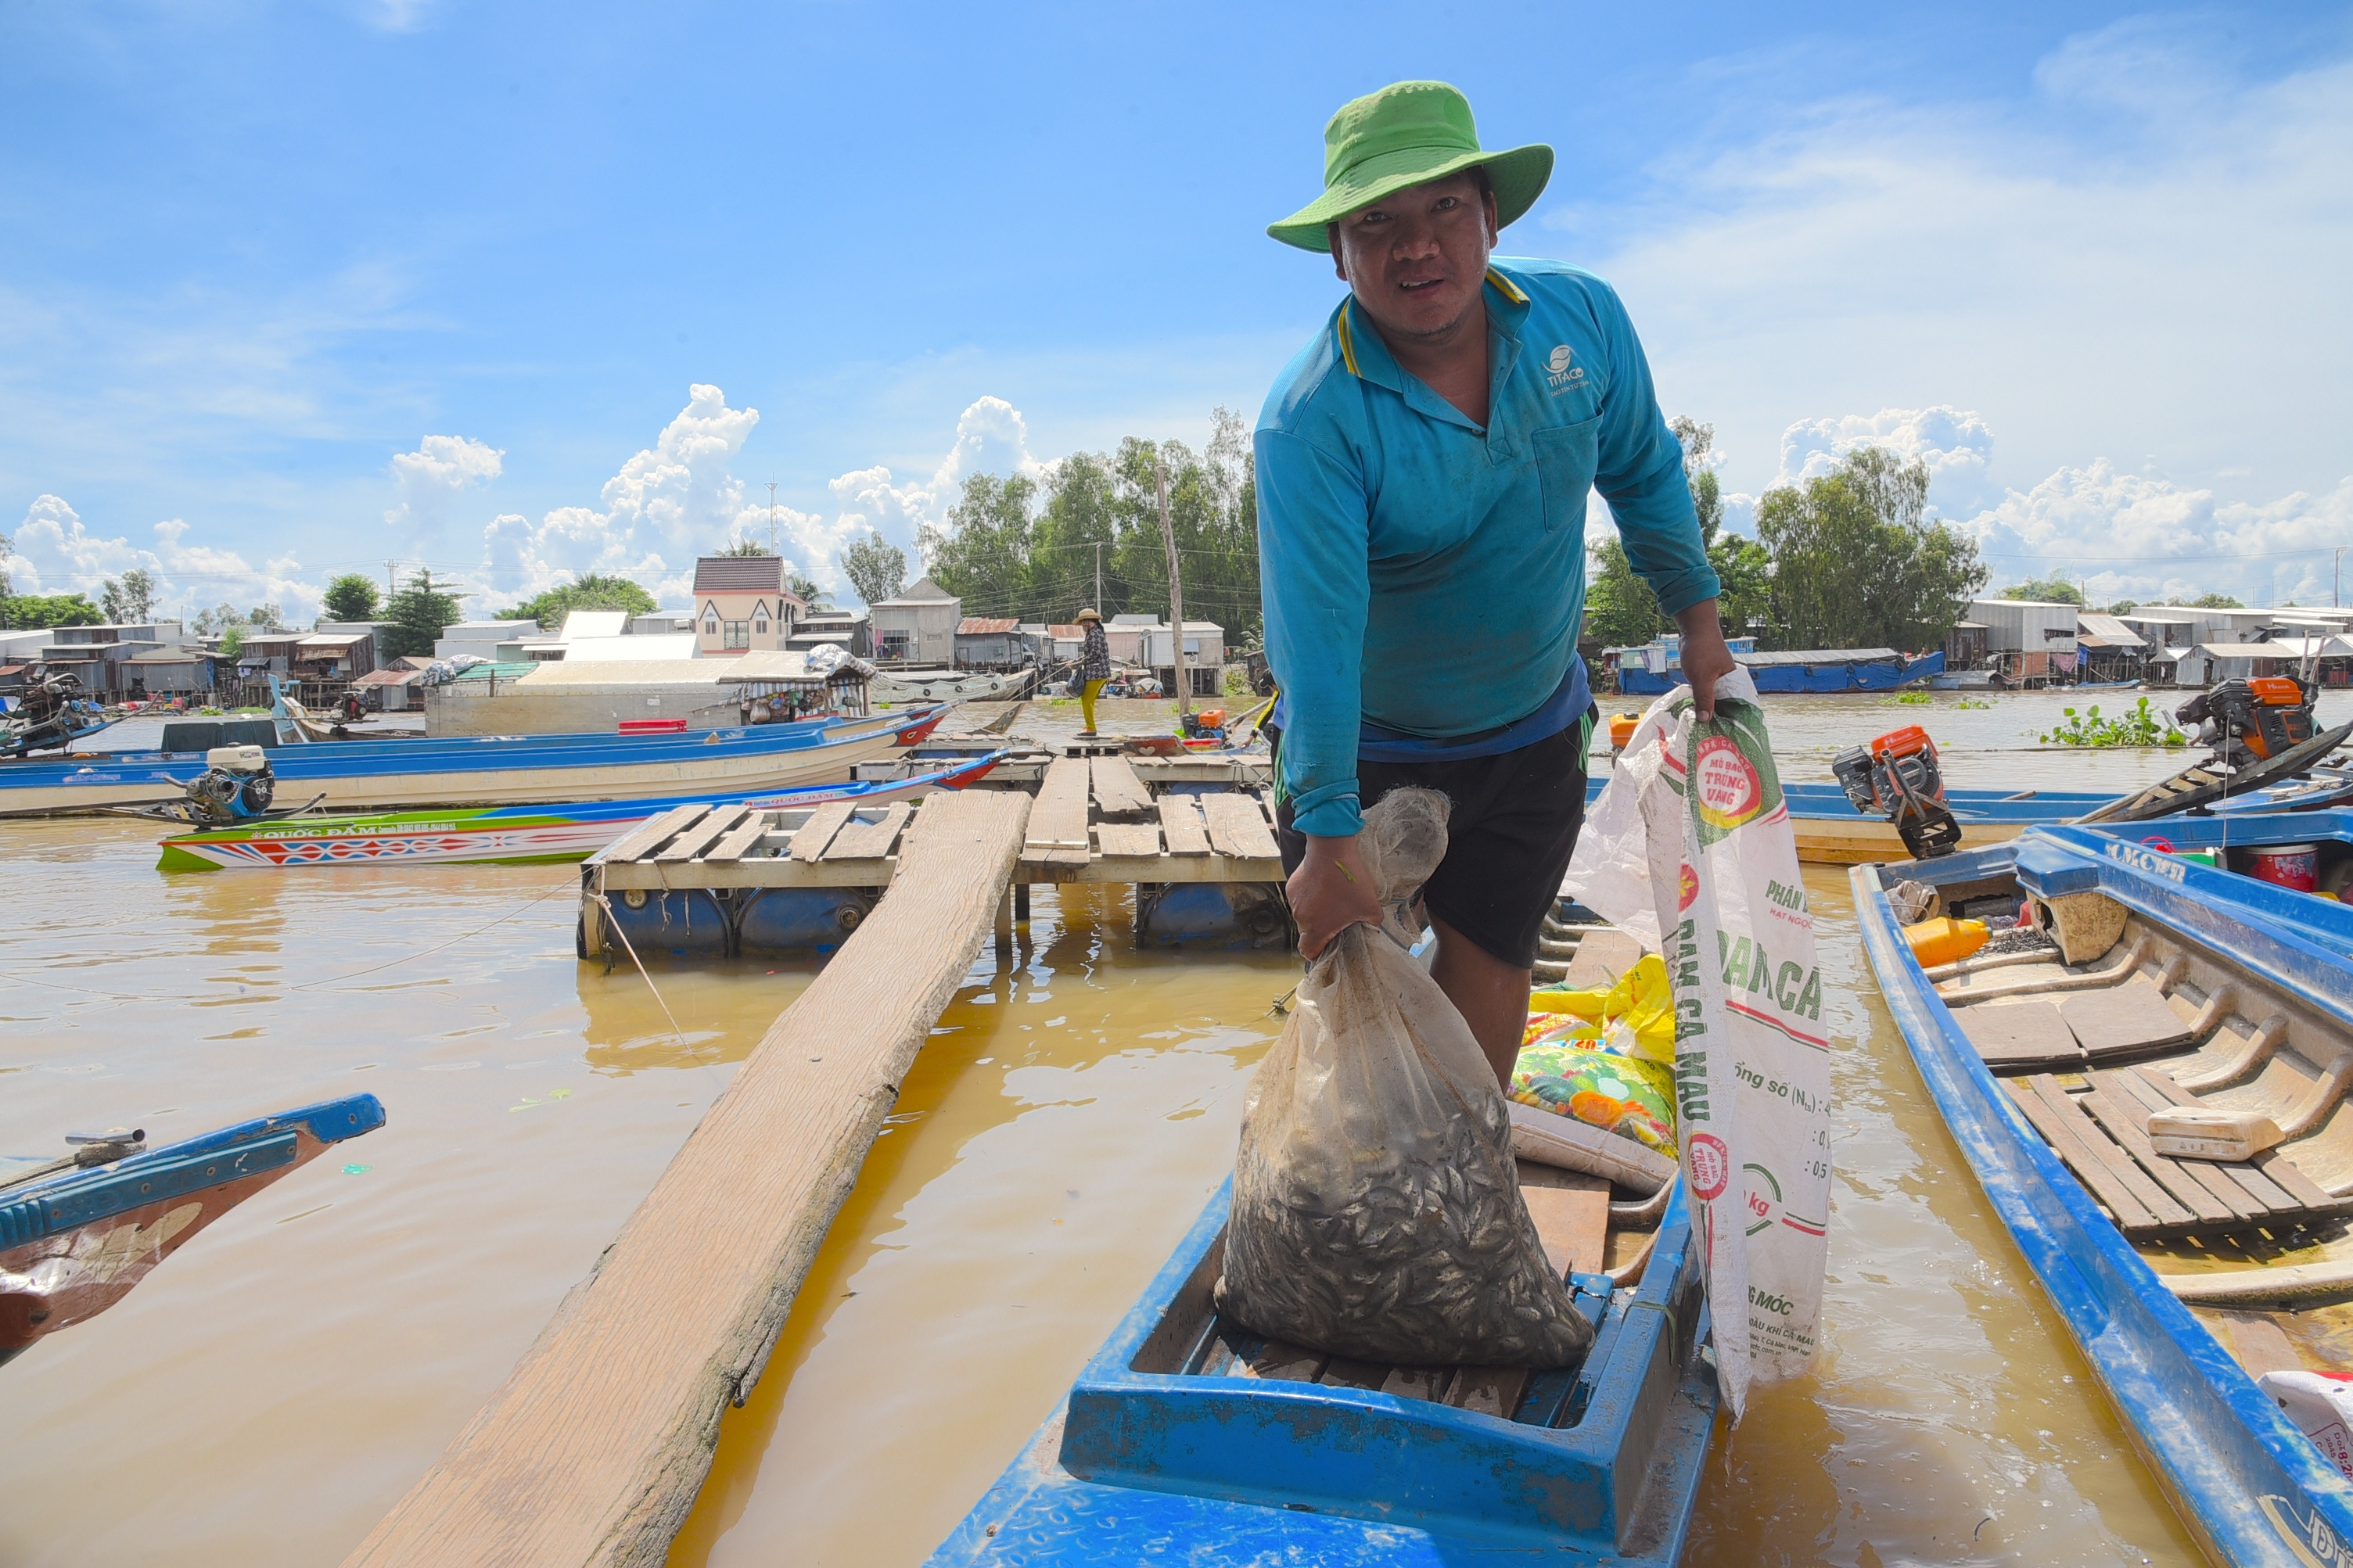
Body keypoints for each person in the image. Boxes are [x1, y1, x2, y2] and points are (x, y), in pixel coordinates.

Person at [1256, 81, 1736, 1088]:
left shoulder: (1582, 319)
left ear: (1492, 216)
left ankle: (1466, 1174)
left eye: (1441, 209)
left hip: (1526, 731)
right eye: (1374, 221)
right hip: (1369, 744)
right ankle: (1362, 1193)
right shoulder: (1311, 418)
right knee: (1353, 988)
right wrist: (1331, 828)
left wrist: (1699, 623)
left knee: (1491, 969)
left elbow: (1643, 468)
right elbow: (1316, 634)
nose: (1413, 244)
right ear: (1338, 254)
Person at [1073, 608, 1111, 736]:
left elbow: (1093, 654)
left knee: (1086, 699)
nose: (1083, 625)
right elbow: (1089, 654)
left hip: (1097, 672)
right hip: (1097, 672)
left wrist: (1079, 663)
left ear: (1089, 621)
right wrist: (1075, 662)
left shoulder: (1095, 634)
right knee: (1089, 700)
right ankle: (1089, 725)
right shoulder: (1095, 632)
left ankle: (1091, 728)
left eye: (1084, 622)